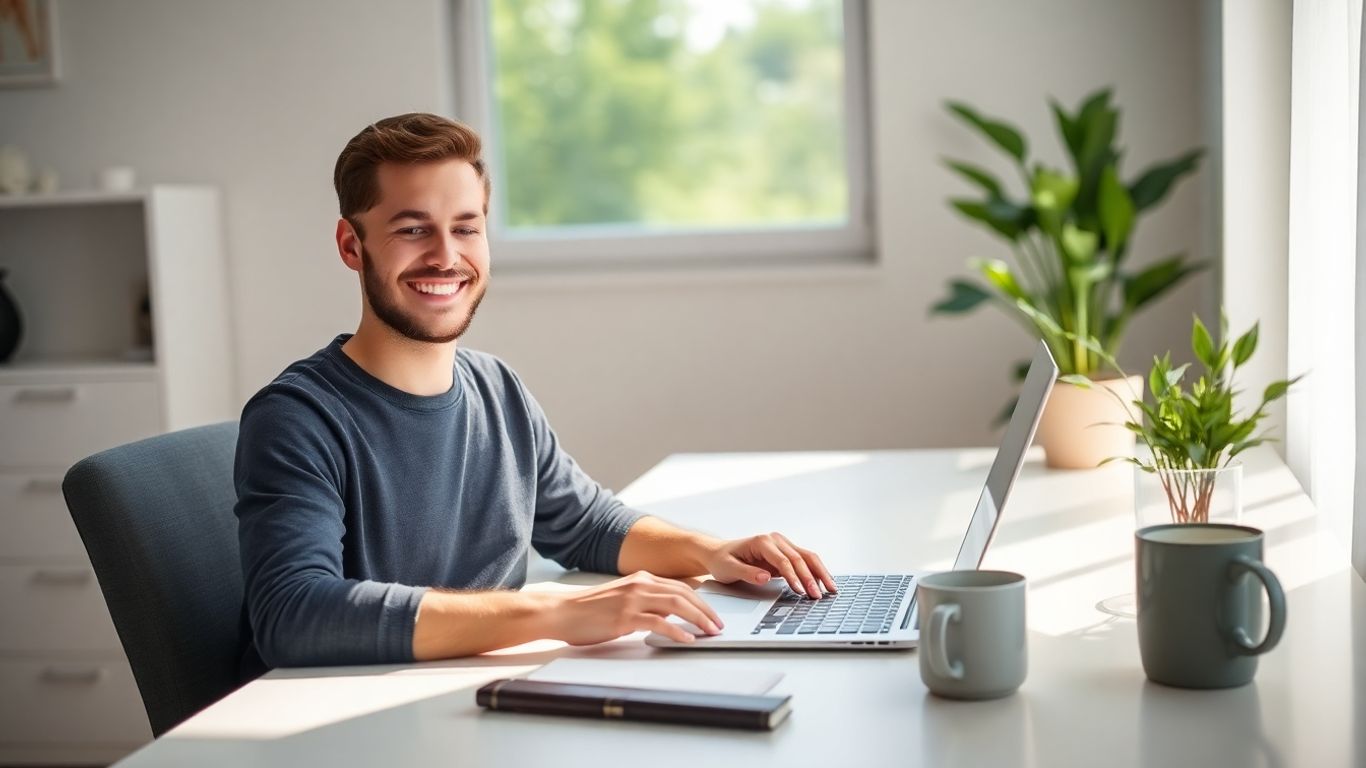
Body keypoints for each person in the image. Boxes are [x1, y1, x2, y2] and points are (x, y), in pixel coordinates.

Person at [234, 112, 836, 677]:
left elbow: (587, 525)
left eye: (465, 228)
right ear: (351, 245)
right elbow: (294, 615)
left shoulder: (497, 390)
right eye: (413, 230)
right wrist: (554, 613)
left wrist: (713, 553)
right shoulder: (298, 417)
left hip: (474, 694)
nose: (446, 256)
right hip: (352, 714)